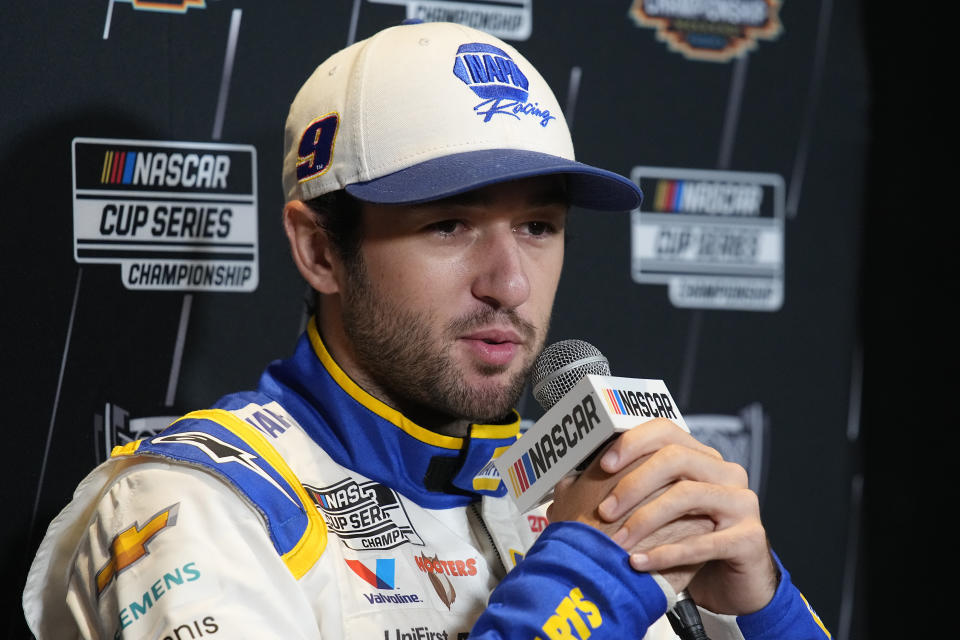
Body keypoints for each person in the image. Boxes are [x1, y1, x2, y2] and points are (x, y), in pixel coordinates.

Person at [23, 21, 830, 640]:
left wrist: (763, 608)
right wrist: (584, 585)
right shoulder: (189, 508)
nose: (509, 282)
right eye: (449, 225)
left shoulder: (584, 494)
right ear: (318, 250)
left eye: (539, 227)